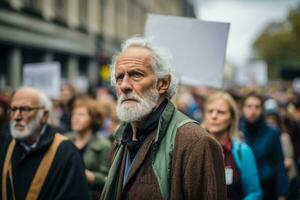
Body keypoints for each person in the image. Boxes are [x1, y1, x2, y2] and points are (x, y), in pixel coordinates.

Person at [101, 36, 226, 200]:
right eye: (119, 78)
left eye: (136, 75)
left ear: (163, 84)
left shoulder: (195, 142)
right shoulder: (120, 139)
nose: (124, 85)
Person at [1, 87, 89, 200]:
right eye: (13, 109)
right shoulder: (6, 145)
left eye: (25, 109)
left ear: (44, 116)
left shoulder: (66, 152)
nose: (17, 116)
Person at [202, 91, 262, 200]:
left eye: (221, 112)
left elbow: (254, 193)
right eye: (210, 111)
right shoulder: (196, 150)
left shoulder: (243, 152)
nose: (214, 116)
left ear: (231, 118)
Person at [240, 91, 289, 200]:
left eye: (257, 107)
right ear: (243, 108)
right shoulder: (237, 131)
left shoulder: (272, 132)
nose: (253, 111)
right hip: (243, 189)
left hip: (267, 188)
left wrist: (282, 194)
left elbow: (279, 163)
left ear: (262, 109)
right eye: (249, 106)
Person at [65, 98, 111, 199]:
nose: (75, 118)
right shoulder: (64, 140)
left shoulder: (104, 145)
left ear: (93, 118)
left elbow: (108, 180)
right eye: (73, 114)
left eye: (81, 114)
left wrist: (86, 175)